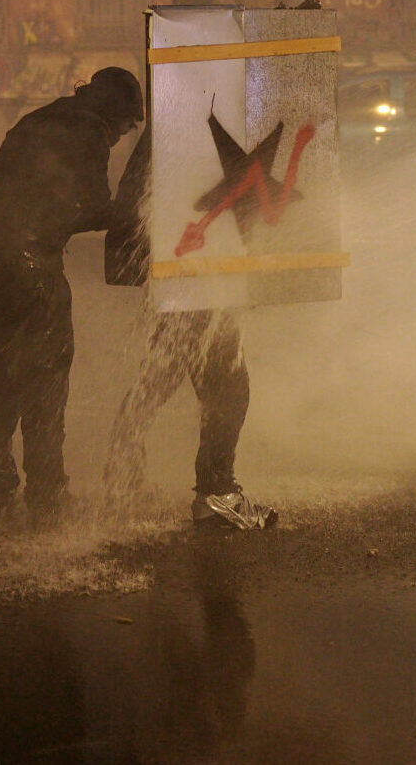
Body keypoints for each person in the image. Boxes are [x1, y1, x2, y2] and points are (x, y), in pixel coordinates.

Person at [0, 66, 144, 525]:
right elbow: (86, 208)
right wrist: (137, 209)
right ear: (114, 113)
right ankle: (47, 497)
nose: (121, 139)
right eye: (125, 127)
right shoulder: (86, 131)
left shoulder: (38, 121)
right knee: (44, 386)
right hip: (32, 273)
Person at [101, 125, 274, 530]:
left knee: (161, 376)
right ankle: (217, 493)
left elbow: (134, 198)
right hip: (201, 275)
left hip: (183, 271)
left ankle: (122, 478)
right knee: (228, 386)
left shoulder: (175, 120)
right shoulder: (208, 119)